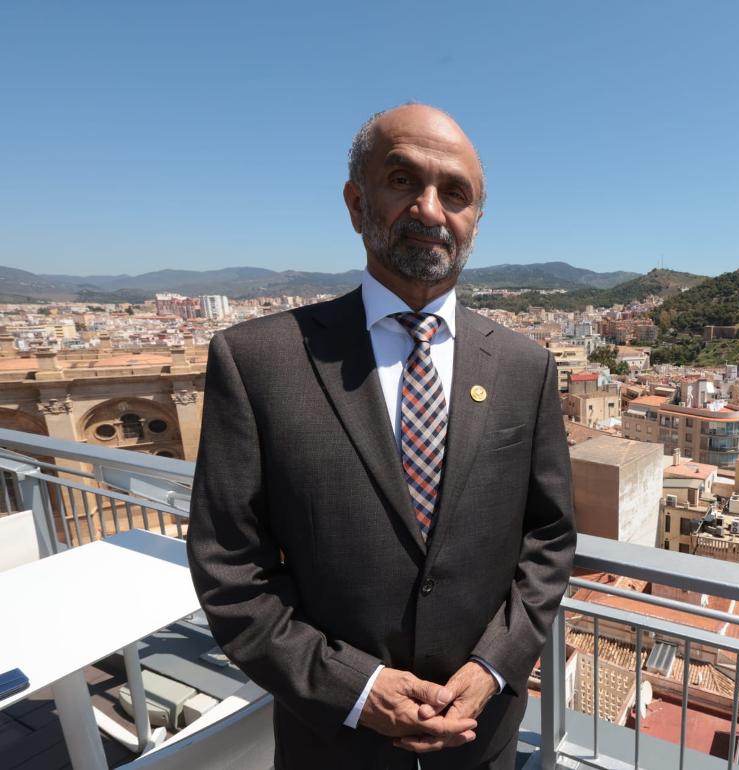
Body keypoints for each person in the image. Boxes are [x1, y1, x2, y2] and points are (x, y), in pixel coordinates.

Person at [187, 103, 577, 769]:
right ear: (355, 199)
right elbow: (230, 572)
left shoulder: (525, 366)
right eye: (403, 181)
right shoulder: (258, 362)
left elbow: (549, 540)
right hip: (333, 744)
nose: (430, 210)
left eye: (455, 193)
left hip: (482, 740)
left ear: (475, 221)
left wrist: (492, 666)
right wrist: (357, 689)